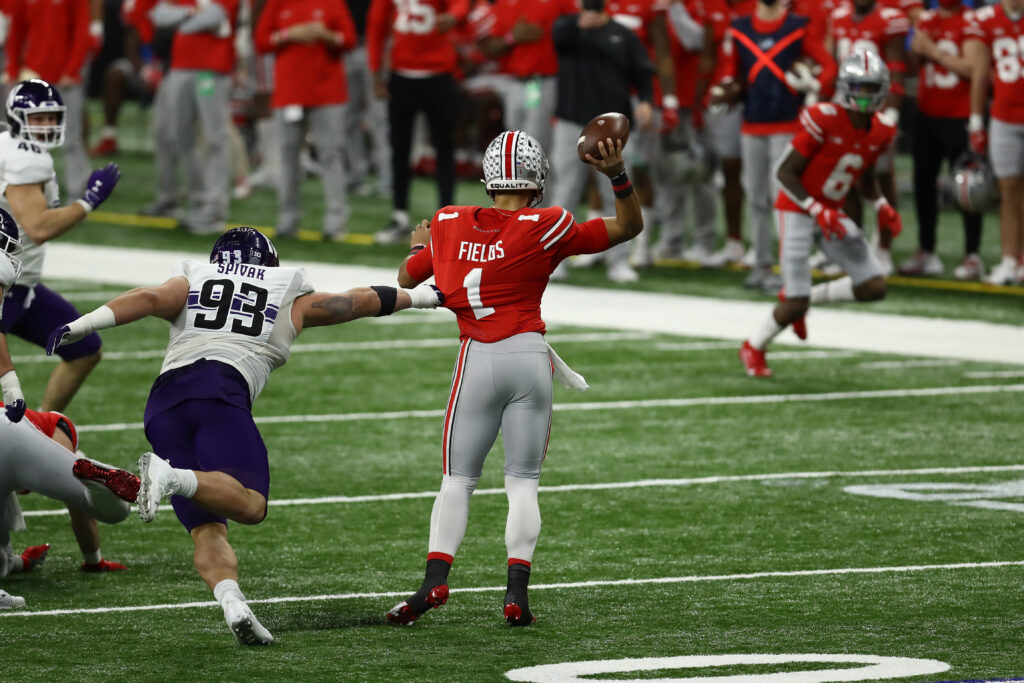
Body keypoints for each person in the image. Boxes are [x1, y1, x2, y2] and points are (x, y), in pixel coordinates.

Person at [47, 226, 443, 645]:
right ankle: (169, 476)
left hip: (163, 407)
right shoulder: (285, 293)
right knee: (251, 505)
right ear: (267, 264)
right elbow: (354, 302)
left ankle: (233, 604)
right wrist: (427, 296)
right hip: (219, 394)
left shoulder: (194, 280)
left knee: (208, 529)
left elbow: (145, 299)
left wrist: (82, 324)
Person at [387, 129, 643, 626]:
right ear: (537, 179)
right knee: (522, 482)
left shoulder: (448, 222)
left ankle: (433, 583)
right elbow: (627, 228)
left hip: (477, 357)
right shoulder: (549, 224)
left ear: (488, 179)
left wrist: (422, 245)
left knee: (458, 480)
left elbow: (405, 277)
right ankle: (516, 595)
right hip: (528, 357)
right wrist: (617, 175)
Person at [739, 51, 901, 378]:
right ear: (845, 86)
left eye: (872, 88)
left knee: (873, 287)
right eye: (860, 87)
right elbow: (784, 173)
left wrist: (881, 204)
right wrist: (816, 208)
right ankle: (754, 346)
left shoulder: (881, 131)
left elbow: (865, 178)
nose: (866, 95)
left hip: (830, 211)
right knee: (792, 303)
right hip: (797, 209)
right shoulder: (824, 117)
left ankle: (803, 299)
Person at [1, 79, 120, 413]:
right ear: (17, 117)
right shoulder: (25, 160)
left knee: (85, 349)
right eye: (37, 118)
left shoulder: (12, 147)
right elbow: (37, 227)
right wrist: (89, 202)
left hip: (22, 285)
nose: (46, 125)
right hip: (4, 287)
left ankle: (43, 430)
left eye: (51, 117)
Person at [712, 0, 836, 292]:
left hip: (787, 122)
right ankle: (762, 265)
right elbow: (731, 71)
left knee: (781, 197)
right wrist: (725, 89)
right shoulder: (740, 28)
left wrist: (815, 88)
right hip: (752, 122)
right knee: (756, 196)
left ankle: (788, 267)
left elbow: (828, 65)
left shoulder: (797, 26)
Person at [547, 0, 654, 284]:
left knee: (616, 190)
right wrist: (576, 24)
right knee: (566, 190)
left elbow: (643, 70)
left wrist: (645, 101)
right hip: (571, 119)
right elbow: (558, 38)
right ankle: (555, 261)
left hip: (612, 125)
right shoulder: (567, 27)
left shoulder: (623, 34)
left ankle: (618, 261)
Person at [254, 0, 358, 240]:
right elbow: (261, 41)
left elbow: (349, 39)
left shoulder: (333, 3)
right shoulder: (278, 3)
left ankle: (336, 223)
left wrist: (327, 35)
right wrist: (290, 34)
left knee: (330, 155)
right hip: (290, 92)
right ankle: (287, 222)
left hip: (328, 93)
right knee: (288, 157)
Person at [367, 0, 468, 244]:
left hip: (439, 74)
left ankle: (447, 219)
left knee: (445, 148)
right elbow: (376, 26)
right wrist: (376, 74)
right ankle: (400, 215)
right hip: (402, 75)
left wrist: (452, 17)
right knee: (400, 148)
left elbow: (461, 5)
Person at [1, 405, 138, 579]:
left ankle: (94, 481)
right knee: (112, 510)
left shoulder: (48, 429)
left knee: (109, 509)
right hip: (18, 431)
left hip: (24, 434)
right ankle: (97, 481)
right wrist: (94, 562)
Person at [900, 0, 983, 280]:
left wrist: (933, 51)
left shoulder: (971, 21)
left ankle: (972, 255)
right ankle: (926, 250)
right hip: (927, 113)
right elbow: (912, 66)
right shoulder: (926, 20)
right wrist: (914, 48)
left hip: (959, 116)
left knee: (967, 190)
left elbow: (973, 69)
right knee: (924, 185)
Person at [826, 0, 909, 276]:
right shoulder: (837, 16)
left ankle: (883, 250)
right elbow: (830, 65)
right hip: (843, 110)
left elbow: (897, 69)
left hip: (877, 110)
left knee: (881, 179)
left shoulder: (890, 19)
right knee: (845, 182)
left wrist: (893, 113)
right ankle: (854, 250)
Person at [147, 0, 239, 234]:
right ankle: (199, 201)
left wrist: (182, 20)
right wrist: (191, 13)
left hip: (211, 68)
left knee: (215, 138)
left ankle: (215, 207)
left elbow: (215, 17)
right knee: (181, 136)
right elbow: (158, 15)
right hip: (180, 67)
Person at [4, 0, 92, 197]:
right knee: (28, 141)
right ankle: (30, 193)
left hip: (65, 78)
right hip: (33, 75)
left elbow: (81, 29)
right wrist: (12, 70)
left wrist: (73, 69)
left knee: (71, 139)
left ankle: (77, 195)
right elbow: (17, 29)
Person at [965, 0, 1024, 285]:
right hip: (1004, 116)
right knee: (1008, 190)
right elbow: (979, 72)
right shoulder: (987, 19)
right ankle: (1010, 260)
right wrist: (976, 121)